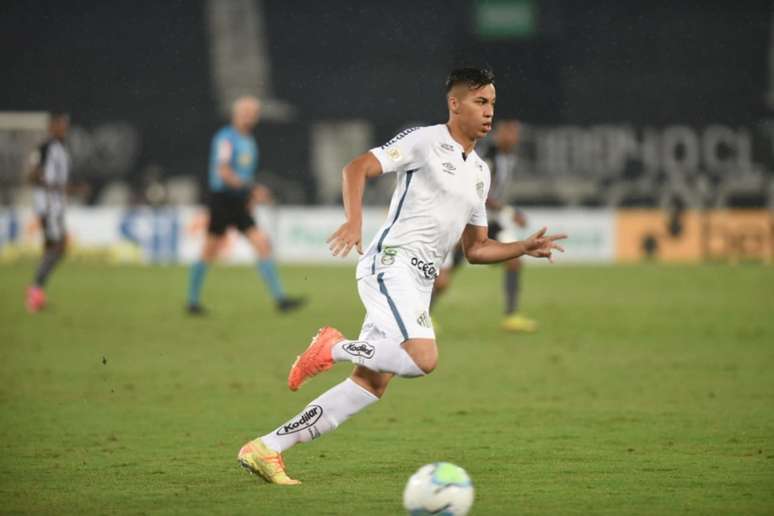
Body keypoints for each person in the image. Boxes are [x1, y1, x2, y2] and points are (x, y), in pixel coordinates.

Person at [236, 68, 566, 484]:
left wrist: (522, 247)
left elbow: (476, 248)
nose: (489, 113)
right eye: (481, 102)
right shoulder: (424, 141)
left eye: (493, 104)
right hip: (391, 264)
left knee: (370, 385)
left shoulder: (479, 172)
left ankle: (267, 448)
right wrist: (354, 221)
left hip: (419, 279)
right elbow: (356, 168)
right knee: (422, 359)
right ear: (455, 104)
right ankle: (334, 347)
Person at [186, 96, 304, 314]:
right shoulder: (226, 139)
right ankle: (192, 301)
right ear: (235, 114)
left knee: (261, 244)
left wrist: (248, 198)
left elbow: (243, 173)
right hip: (222, 199)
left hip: (239, 202)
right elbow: (223, 172)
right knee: (209, 250)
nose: (249, 117)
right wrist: (253, 189)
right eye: (245, 112)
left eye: (253, 113)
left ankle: (281, 299)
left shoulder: (249, 140)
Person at [432, 120, 537, 332]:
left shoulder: (510, 158)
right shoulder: (487, 156)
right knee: (442, 280)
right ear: (498, 134)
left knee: (514, 261)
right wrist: (510, 211)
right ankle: (421, 317)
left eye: (515, 133)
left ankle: (511, 316)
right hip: (466, 221)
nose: (512, 137)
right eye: (508, 132)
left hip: (491, 222)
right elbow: (479, 192)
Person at [25, 112, 71, 313]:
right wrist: (51, 187)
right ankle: (35, 290)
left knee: (52, 248)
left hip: (56, 205)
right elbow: (32, 175)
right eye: (61, 124)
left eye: (66, 124)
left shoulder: (61, 149)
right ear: (52, 126)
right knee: (58, 247)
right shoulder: (45, 148)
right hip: (49, 206)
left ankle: (37, 294)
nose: (64, 128)